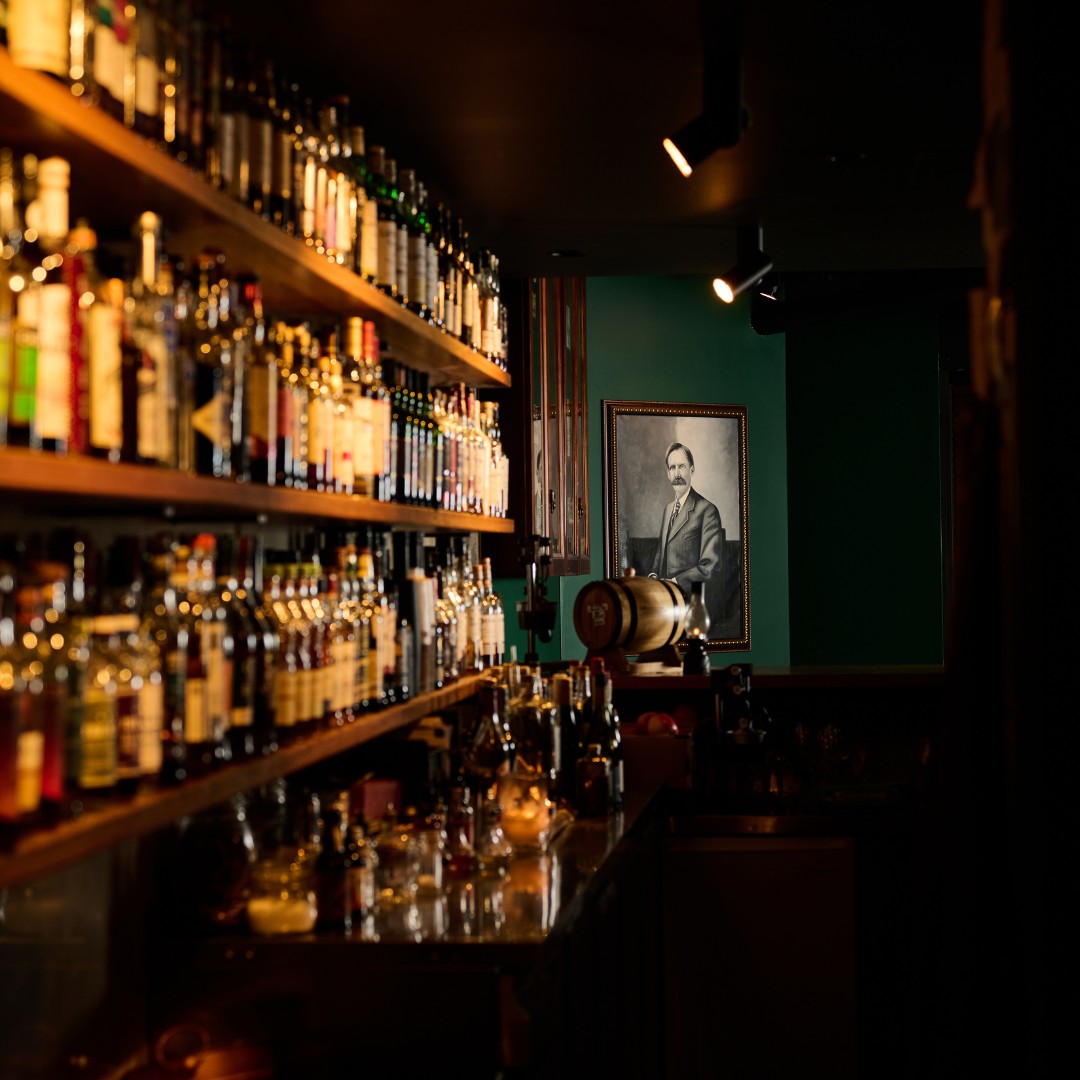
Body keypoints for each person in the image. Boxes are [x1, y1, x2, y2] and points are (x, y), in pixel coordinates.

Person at [648, 441, 722, 599]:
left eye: (681, 466)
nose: (677, 474)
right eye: (672, 468)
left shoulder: (707, 510)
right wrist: (653, 578)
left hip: (691, 601)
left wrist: (674, 582)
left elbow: (711, 566)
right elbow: (660, 555)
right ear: (668, 473)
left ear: (692, 470)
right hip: (664, 600)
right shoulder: (668, 510)